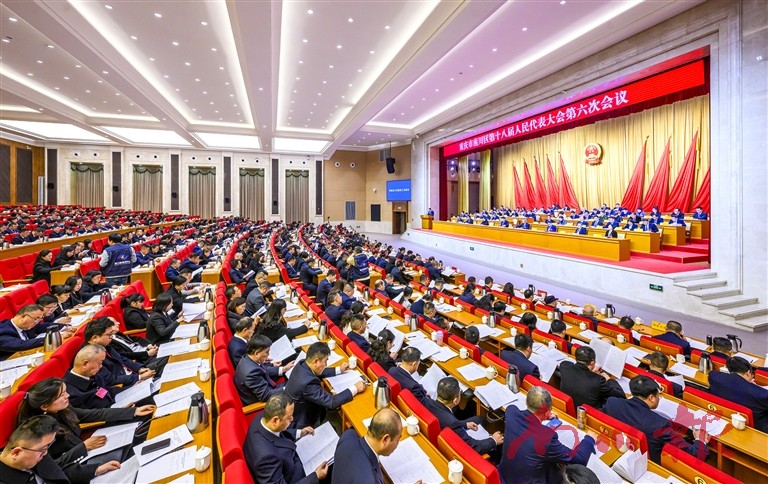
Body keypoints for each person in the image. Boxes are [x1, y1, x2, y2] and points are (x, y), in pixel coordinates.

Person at [16, 377, 154, 483]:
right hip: (77, 466)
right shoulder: (38, 432)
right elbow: (52, 467)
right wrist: (83, 447)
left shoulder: (63, 409)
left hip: (90, 451)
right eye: (62, 395)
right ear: (45, 406)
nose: (67, 396)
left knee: (138, 431)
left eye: (65, 392)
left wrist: (133, 411)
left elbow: (93, 414)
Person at [498, 386, 597, 483]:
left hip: (503, 476)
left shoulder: (511, 412)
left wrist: (544, 416)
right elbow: (579, 460)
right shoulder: (547, 439)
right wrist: (589, 439)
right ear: (548, 412)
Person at [603, 376, 709, 463]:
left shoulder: (612, 403)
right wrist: (700, 440)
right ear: (651, 398)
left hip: (622, 449)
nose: (659, 398)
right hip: (650, 463)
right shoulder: (659, 424)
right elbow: (694, 454)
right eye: (658, 396)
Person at [243, 392, 329, 484]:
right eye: (289, 417)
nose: (292, 419)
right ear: (275, 420)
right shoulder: (266, 459)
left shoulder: (262, 419)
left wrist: (299, 433)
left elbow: (278, 432)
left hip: (292, 459)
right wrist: (315, 477)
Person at [286, 342, 365, 428]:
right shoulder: (308, 384)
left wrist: (339, 369)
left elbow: (317, 372)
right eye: (325, 361)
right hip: (304, 422)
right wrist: (355, 388)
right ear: (316, 361)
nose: (326, 365)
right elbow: (332, 402)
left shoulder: (302, 364)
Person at [423, 377, 503, 457]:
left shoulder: (427, 401)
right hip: (457, 451)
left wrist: (464, 424)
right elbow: (474, 447)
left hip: (441, 432)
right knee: (500, 445)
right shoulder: (452, 423)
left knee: (479, 419)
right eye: (460, 392)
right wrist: (493, 440)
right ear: (455, 400)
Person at [332, 407, 403, 484]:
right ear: (385, 439)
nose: (398, 443)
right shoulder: (371, 481)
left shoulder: (348, 435)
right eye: (397, 440)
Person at [84, 317, 155, 389]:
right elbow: (109, 380)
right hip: (123, 385)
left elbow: (121, 358)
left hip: (132, 374)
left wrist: (139, 368)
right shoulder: (89, 356)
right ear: (95, 338)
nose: (111, 337)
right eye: (109, 335)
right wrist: (138, 377)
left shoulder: (103, 344)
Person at [0, 415, 70, 484]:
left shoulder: (34, 450)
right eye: (43, 450)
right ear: (16, 452)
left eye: (48, 446)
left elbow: (59, 473)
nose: (45, 453)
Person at [709, 356, 768, 432]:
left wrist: (748, 385)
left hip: (722, 417)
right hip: (754, 429)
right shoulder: (762, 394)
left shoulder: (713, 376)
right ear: (748, 373)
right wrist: (753, 386)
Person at [236, 335, 295, 406]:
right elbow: (265, 395)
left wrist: (283, 369)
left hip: (268, 386)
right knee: (297, 389)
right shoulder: (251, 373)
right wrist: (289, 388)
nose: (268, 354)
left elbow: (262, 369)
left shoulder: (248, 358)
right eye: (267, 352)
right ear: (257, 353)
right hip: (264, 403)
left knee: (293, 381)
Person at [559, 346, 625, 409]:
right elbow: (620, 394)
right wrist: (608, 378)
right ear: (592, 362)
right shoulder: (598, 380)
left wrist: (591, 371)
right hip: (588, 412)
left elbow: (578, 373)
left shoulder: (564, 366)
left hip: (568, 407)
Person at [0, 304, 73, 360]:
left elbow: (41, 327)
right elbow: (21, 344)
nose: (37, 322)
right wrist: (55, 337)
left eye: (40, 319)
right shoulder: (3, 331)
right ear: (23, 317)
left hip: (26, 356)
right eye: (36, 319)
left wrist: (64, 326)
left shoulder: (25, 324)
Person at [63, 344, 120, 409]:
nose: (101, 366)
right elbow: (91, 414)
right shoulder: (71, 394)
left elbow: (104, 392)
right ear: (85, 364)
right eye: (99, 363)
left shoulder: (92, 374)